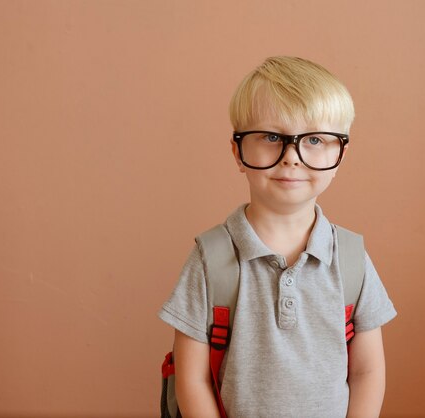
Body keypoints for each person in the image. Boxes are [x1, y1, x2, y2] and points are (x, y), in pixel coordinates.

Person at [159, 56, 397, 418]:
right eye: (272, 137)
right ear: (238, 151)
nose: (292, 157)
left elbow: (367, 371)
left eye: (315, 139)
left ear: (340, 156)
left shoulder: (350, 259)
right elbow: (191, 379)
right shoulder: (211, 259)